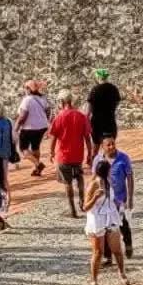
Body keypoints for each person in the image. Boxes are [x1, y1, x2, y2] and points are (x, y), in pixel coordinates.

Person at [82, 158, 128, 285]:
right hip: (97, 219)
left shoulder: (109, 181)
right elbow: (85, 207)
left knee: (117, 249)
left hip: (110, 216)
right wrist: (95, 197)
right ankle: (94, 280)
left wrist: (120, 205)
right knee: (98, 252)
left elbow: (111, 199)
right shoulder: (94, 184)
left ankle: (122, 274)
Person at [48, 88, 93, 219]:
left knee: (67, 182)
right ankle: (82, 202)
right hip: (77, 154)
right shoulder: (81, 116)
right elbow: (87, 137)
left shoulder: (59, 117)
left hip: (63, 156)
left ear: (62, 101)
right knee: (79, 177)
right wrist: (89, 153)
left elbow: (53, 138)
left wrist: (51, 152)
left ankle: (72, 209)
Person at [97, 132, 135, 262]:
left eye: (113, 143)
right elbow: (94, 178)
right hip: (105, 201)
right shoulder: (98, 160)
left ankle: (128, 244)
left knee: (123, 224)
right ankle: (108, 256)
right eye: (109, 145)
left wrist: (129, 198)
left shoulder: (123, 158)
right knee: (106, 227)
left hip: (120, 199)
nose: (112, 146)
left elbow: (129, 177)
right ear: (102, 146)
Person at [15, 80, 49, 176]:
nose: (25, 90)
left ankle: (38, 164)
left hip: (28, 128)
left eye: (26, 88)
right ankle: (37, 169)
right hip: (41, 126)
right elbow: (48, 111)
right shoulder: (43, 98)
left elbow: (22, 116)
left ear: (29, 89)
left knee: (23, 149)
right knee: (35, 147)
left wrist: (16, 128)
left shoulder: (27, 99)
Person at [86, 67, 121, 143]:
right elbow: (117, 102)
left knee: (95, 148)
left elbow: (89, 108)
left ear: (98, 77)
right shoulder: (114, 89)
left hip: (97, 123)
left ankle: (94, 155)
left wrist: (86, 119)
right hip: (110, 122)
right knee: (110, 146)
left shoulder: (95, 90)